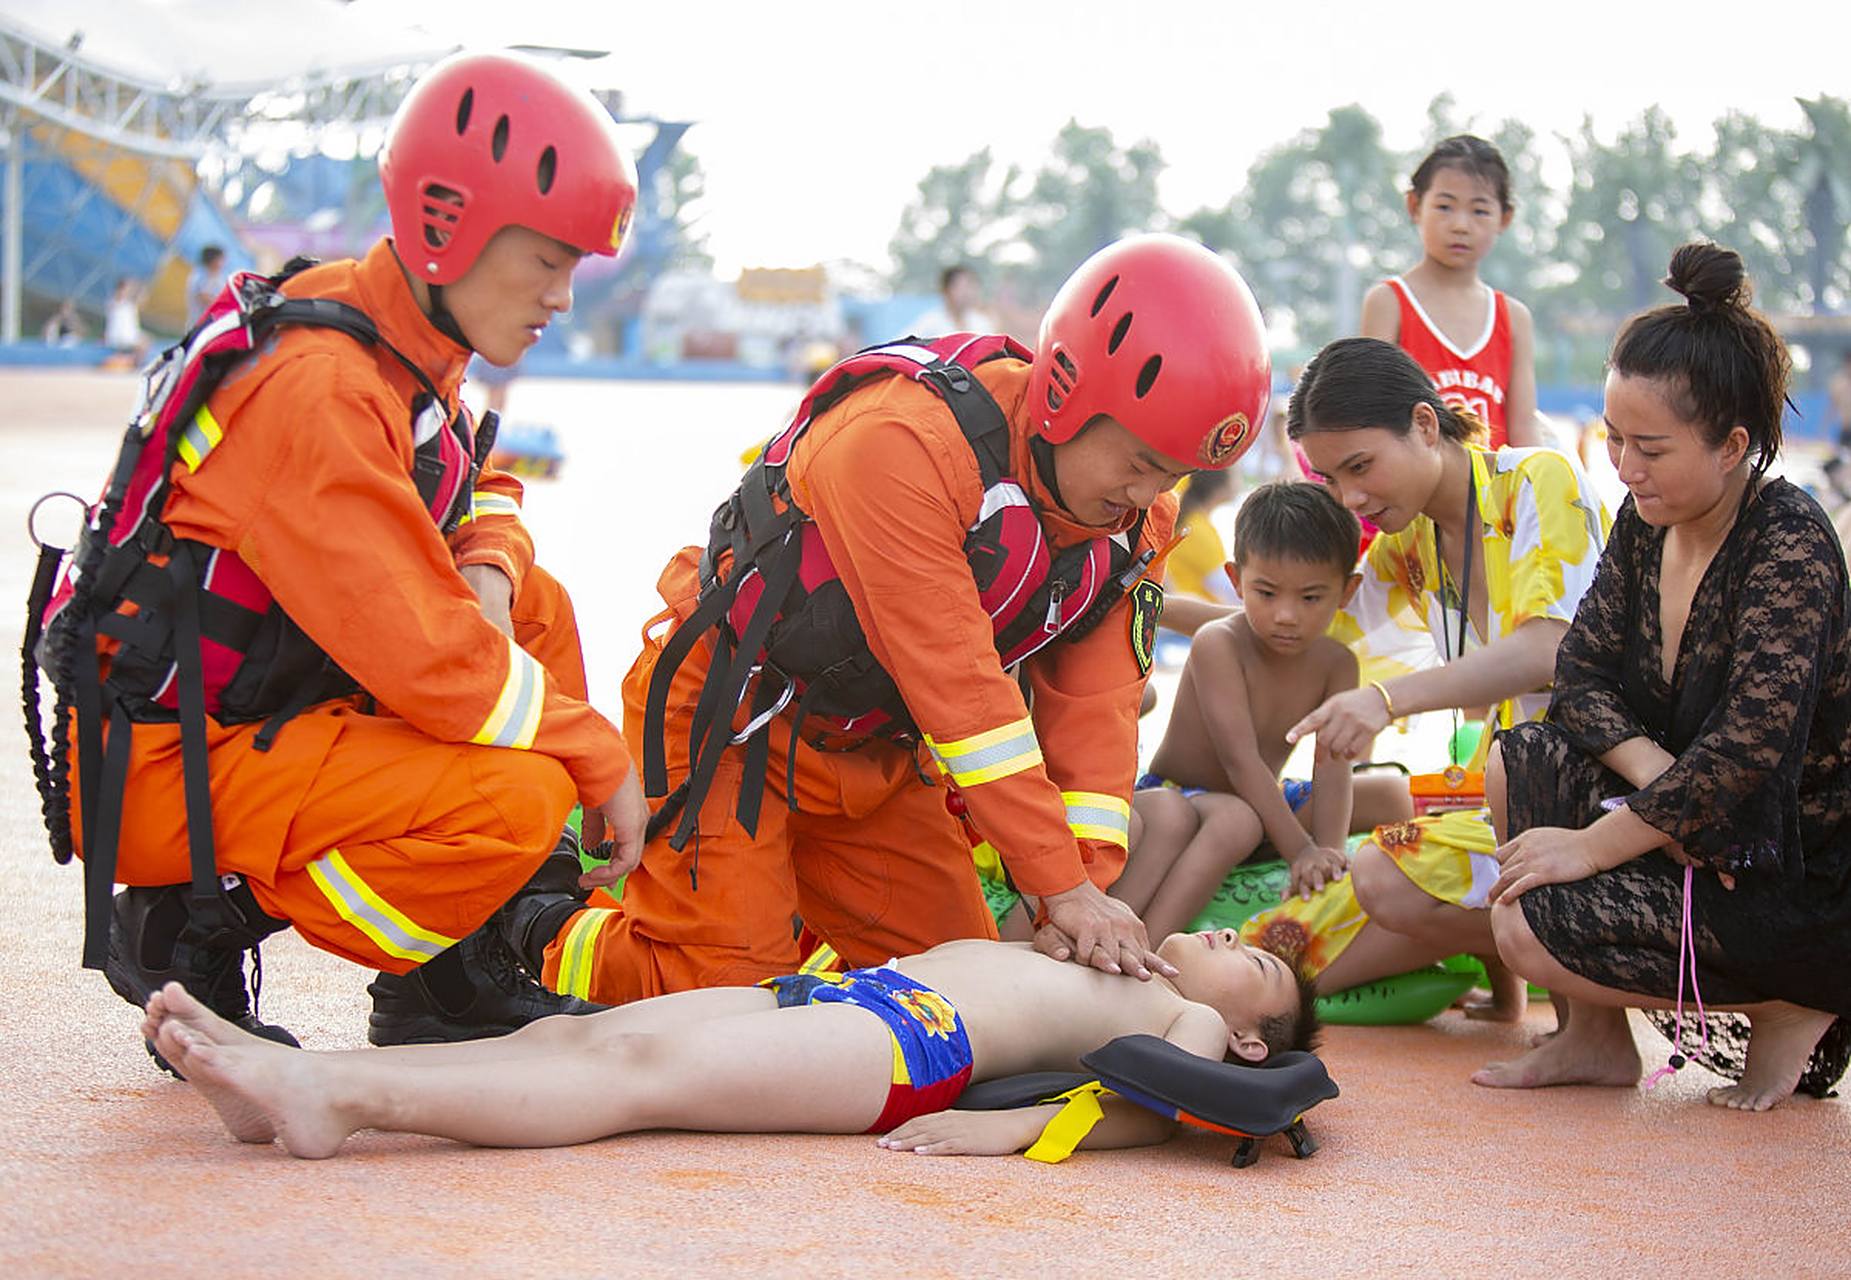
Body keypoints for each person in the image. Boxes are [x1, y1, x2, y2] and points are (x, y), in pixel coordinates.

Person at [54, 52, 648, 1054]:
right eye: (548, 262)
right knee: (522, 798)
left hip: (239, 714)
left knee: (532, 603)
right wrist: (598, 755)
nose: (561, 297)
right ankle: (198, 916)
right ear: (448, 227)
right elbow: (427, 662)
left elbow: (478, 482)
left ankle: (449, 979)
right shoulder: (323, 386)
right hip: (165, 763)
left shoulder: (393, 339)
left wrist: (489, 566)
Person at [533, 235, 1274, 1006]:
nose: (1147, 496)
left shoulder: (1135, 525)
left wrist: (1074, 894)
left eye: (1174, 474)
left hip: (876, 756)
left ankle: (762, 935)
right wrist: (1054, 885)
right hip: (731, 720)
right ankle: (533, 926)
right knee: (714, 992)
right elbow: (960, 688)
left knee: (961, 1001)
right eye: (1139, 463)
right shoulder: (900, 443)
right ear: (1066, 394)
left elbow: (1097, 717)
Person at [1470, 243, 1851, 1109]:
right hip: (1687, 823)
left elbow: (1749, 747)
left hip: (1778, 869)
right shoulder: (1645, 521)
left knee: (1522, 928)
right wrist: (1662, 790)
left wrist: (1596, 845)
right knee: (1519, 758)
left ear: (1731, 447)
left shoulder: (1790, 542)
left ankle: (1792, 997)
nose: (1622, 466)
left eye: (1647, 446)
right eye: (1612, 438)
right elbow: (1578, 677)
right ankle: (1593, 1039)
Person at [139, 924, 1318, 1160]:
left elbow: (1154, 1104)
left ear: (1252, 1035)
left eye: (1258, 962)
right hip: (850, 993)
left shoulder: (1190, 1021)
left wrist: (1008, 1134)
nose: (1233, 935)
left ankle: (343, 1104)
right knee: (574, 1034)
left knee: (632, 1074)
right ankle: (313, 1077)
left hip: (908, 1045)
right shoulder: (1126, 952)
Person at [1236, 337, 1609, 1016]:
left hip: (1611, 794)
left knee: (1378, 876)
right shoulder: (1406, 544)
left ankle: (1578, 1018)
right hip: (1516, 800)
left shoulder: (1538, 478)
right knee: (1315, 916)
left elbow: (1550, 648)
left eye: (1360, 466)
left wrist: (1386, 700)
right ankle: (1512, 977)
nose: (1350, 498)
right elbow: (1300, 626)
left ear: (1425, 424)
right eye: (1331, 479)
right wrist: (1148, 602)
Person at [1115, 482, 1360, 941]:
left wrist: (1327, 854)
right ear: (1236, 580)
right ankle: (1149, 945)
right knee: (1237, 820)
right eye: (1266, 593)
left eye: (1311, 598)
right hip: (1183, 793)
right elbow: (1239, 760)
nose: (1286, 615)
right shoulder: (1219, 643)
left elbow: (1333, 766)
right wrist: (1299, 850)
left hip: (1263, 796)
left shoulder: (1338, 664)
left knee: (1388, 796)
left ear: (1347, 591)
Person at [1360, 135, 1540, 450]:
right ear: (1414, 205)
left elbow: (1524, 427)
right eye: (1444, 206)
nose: (1460, 225)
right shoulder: (1389, 302)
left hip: (1492, 482)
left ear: (1505, 218)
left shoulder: (1513, 317)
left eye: (1479, 211)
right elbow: (1371, 414)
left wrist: (1540, 477)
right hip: (1413, 482)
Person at [911, 263, 996, 337]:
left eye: (970, 286)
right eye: (961, 287)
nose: (966, 293)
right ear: (946, 290)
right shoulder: (930, 323)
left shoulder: (981, 323)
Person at [103, 277, 148, 362]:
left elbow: (141, 297)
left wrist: (138, 286)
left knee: (145, 341)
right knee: (142, 344)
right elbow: (118, 298)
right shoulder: (115, 302)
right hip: (120, 335)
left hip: (128, 334)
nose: (129, 291)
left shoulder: (129, 303)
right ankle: (133, 361)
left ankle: (133, 360)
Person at [189, 245, 227, 319]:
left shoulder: (219, 277)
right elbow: (205, 299)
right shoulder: (200, 276)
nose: (224, 263)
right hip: (201, 322)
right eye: (221, 259)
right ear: (214, 260)